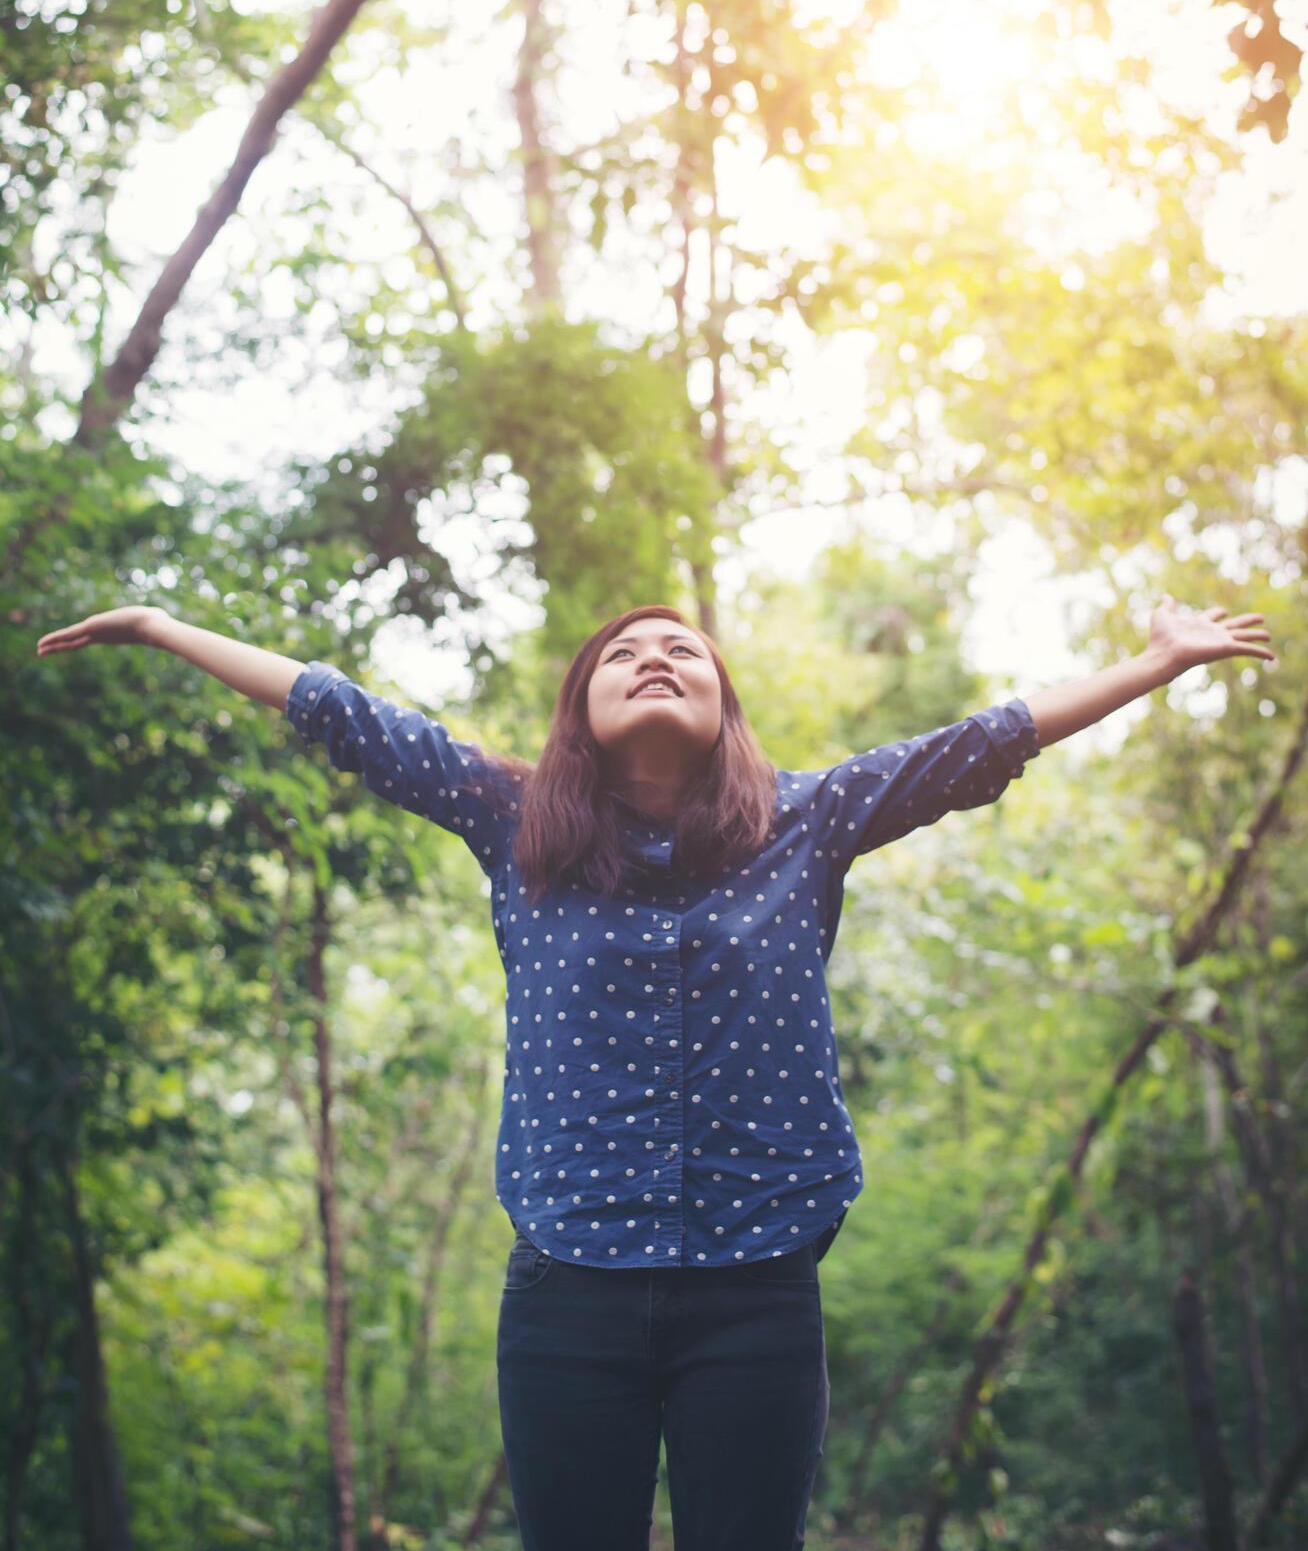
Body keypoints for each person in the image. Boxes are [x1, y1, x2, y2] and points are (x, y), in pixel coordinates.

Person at [35, 593, 1274, 1550]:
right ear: (579, 712)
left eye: (683, 650)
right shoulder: (511, 819)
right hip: (566, 1299)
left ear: (725, 706)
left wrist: (1159, 658)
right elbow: (340, 708)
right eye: (623, 655)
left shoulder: (812, 820)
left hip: (758, 1295)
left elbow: (988, 738)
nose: (656, 660)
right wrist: (160, 627)